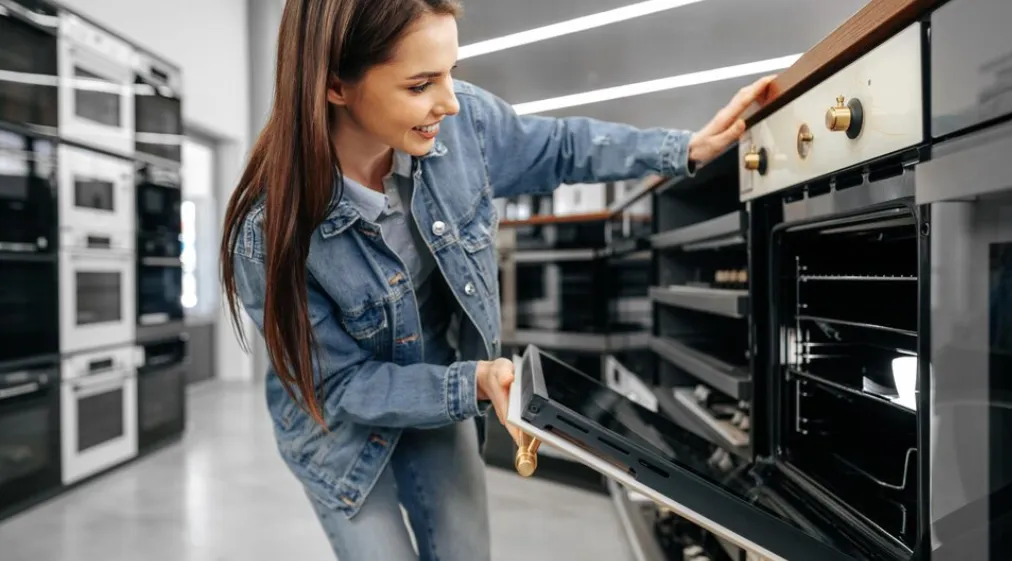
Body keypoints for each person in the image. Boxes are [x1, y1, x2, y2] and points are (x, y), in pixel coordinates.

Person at [218, 0, 777, 559]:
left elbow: (562, 147)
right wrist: (473, 383)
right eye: (420, 85)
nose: (451, 103)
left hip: (441, 378)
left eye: (450, 73)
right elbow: (339, 386)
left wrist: (683, 149)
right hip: (336, 434)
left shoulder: (466, 129)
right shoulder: (270, 232)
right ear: (336, 84)